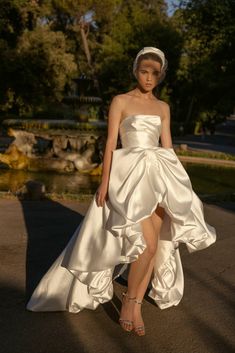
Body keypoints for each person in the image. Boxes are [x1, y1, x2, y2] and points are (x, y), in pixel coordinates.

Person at [27, 47, 216, 337]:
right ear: (136, 71)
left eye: (155, 73)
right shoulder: (120, 101)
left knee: (153, 249)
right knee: (148, 246)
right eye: (144, 71)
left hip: (160, 176)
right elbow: (111, 144)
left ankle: (135, 303)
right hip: (129, 180)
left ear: (161, 74)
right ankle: (130, 302)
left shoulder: (163, 107)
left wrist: (181, 184)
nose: (149, 77)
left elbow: (167, 148)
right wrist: (104, 182)